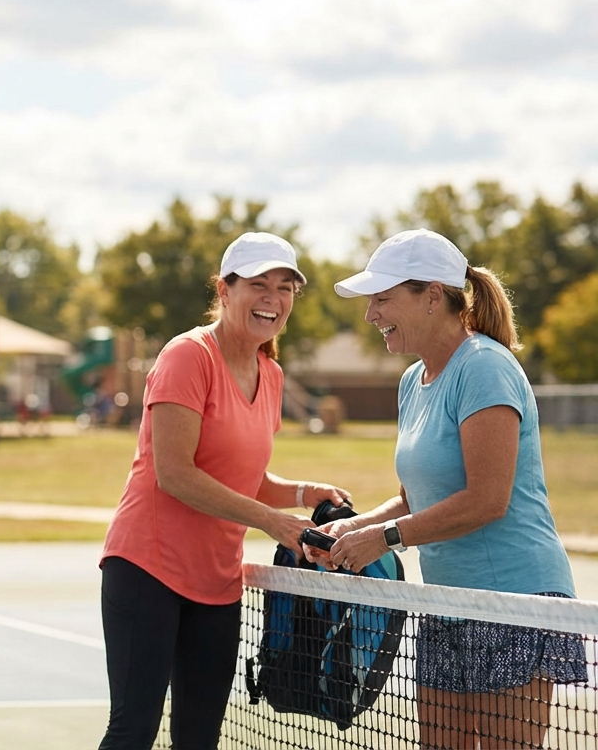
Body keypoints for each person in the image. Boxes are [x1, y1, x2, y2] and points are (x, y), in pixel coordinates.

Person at [317, 228, 586, 749]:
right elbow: (412, 499)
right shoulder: (411, 381)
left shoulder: (485, 367)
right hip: (446, 604)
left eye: (382, 299)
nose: (370, 314)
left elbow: (487, 500)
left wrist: (384, 539)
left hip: (514, 602)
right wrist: (353, 529)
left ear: (432, 297)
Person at [98, 232, 351, 750]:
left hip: (216, 584)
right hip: (147, 569)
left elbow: (244, 477)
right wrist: (273, 522)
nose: (273, 298)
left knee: (199, 739)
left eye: (284, 288)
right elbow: (175, 473)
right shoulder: (187, 356)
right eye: (259, 284)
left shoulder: (271, 374)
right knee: (133, 731)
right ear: (224, 289)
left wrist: (305, 493)